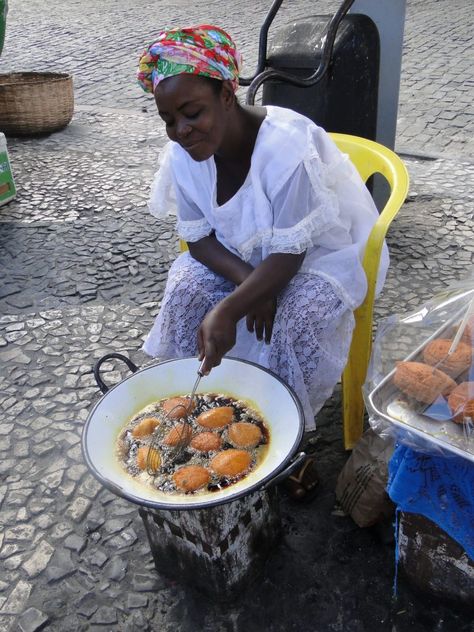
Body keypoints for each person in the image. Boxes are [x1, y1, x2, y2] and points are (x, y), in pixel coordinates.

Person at [137, 25, 389, 493]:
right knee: (187, 285)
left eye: (192, 113)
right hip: (245, 255)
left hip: (318, 255)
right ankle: (199, 406)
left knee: (294, 316)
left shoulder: (285, 148)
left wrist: (233, 304)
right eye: (169, 119)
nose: (181, 130)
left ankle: (283, 432)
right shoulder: (182, 154)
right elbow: (199, 240)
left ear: (227, 95)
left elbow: (292, 251)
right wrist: (247, 284)